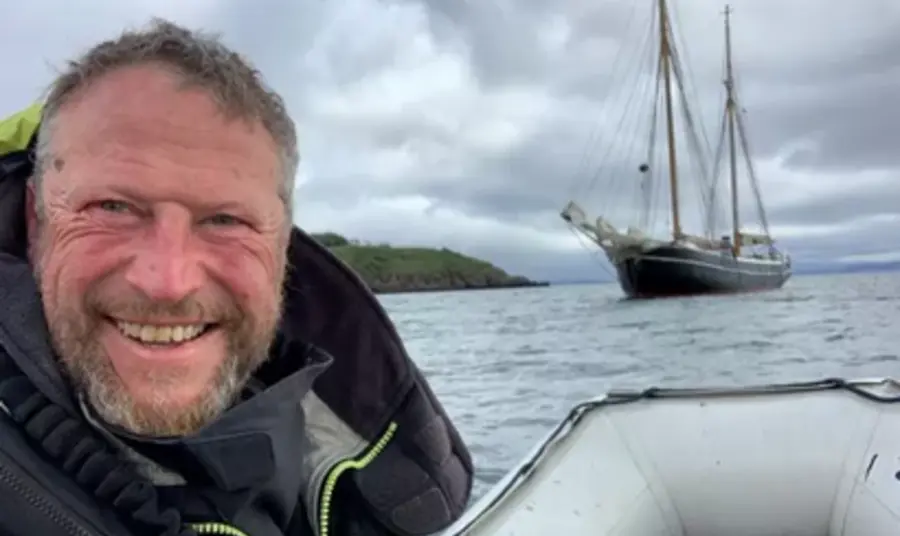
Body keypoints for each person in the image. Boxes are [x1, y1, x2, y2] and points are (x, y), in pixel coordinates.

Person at [0, 18, 473, 536]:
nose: (168, 281)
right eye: (112, 207)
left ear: (281, 245)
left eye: (225, 220)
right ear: (35, 218)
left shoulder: (364, 447)